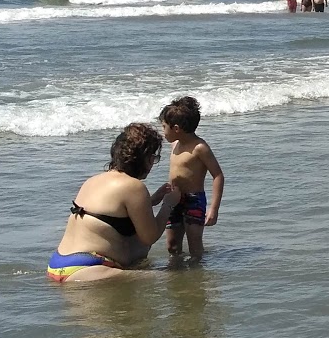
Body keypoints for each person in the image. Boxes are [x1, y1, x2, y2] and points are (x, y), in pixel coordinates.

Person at [47, 122, 181, 284]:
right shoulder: (134, 186)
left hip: (58, 265)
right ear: (144, 159)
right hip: (87, 269)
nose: (153, 163)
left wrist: (152, 201)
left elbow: (111, 216)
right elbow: (149, 237)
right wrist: (168, 204)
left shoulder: (93, 180)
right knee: (176, 278)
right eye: (153, 157)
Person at [157, 96, 225, 259]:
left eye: (164, 127)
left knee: (194, 245)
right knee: (172, 246)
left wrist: (214, 209)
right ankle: (176, 275)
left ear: (176, 129)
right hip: (173, 199)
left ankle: (197, 277)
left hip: (194, 200)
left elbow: (218, 175)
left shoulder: (200, 148)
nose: (162, 131)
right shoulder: (175, 144)